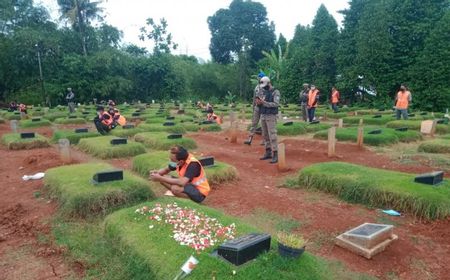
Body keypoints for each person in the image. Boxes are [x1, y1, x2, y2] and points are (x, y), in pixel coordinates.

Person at [257, 76, 280, 164]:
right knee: (265, 135)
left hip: (271, 115)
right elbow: (261, 103)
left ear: (269, 83)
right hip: (263, 114)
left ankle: (275, 153)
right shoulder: (263, 91)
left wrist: (264, 103)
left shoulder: (275, 92)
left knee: (272, 135)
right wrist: (259, 103)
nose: (264, 87)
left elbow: (276, 104)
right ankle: (268, 151)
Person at [244, 72, 266, 145]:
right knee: (254, 123)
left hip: (264, 107)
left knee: (263, 124)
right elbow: (254, 98)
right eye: (258, 77)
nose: (259, 78)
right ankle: (250, 139)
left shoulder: (266, 87)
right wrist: (253, 107)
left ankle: (264, 140)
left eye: (260, 77)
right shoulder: (256, 87)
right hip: (257, 107)